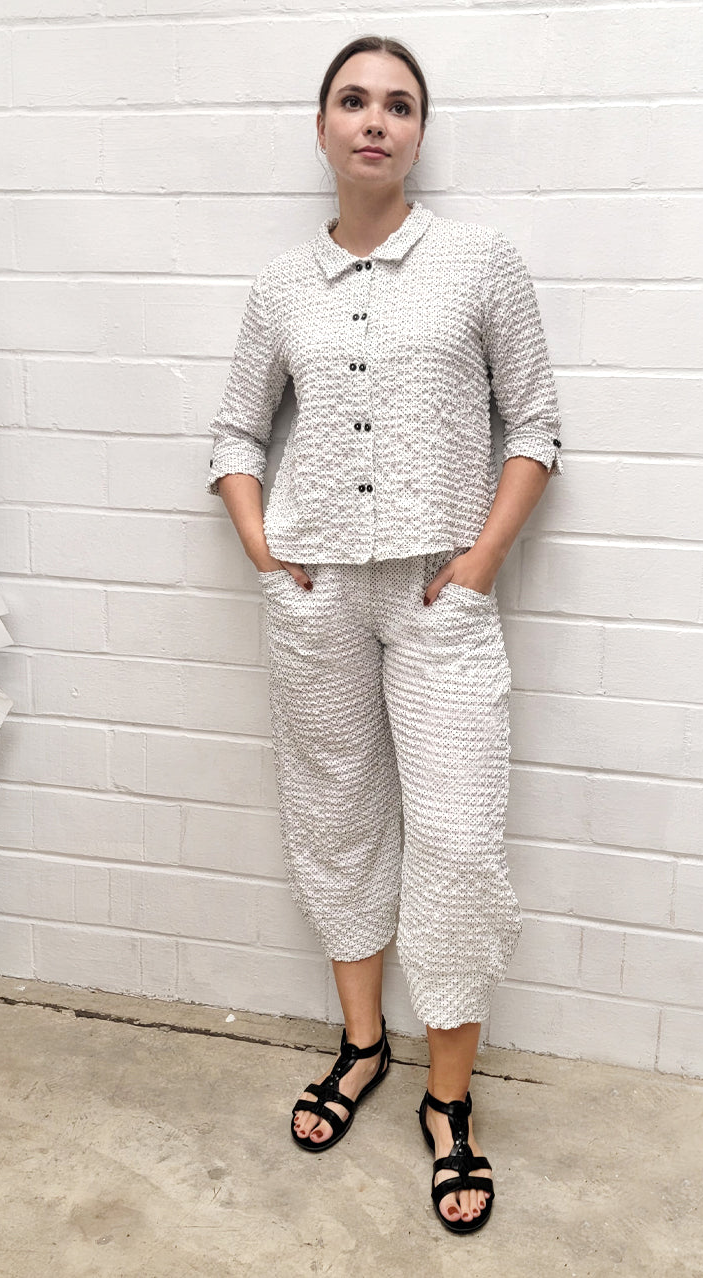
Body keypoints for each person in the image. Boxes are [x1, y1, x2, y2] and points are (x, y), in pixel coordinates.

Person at [204, 34, 562, 1234]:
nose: (375, 120)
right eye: (353, 101)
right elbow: (235, 436)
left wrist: (479, 564)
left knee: (456, 844)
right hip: (316, 603)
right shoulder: (278, 287)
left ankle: (448, 1102)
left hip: (439, 604)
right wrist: (266, 547)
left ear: (419, 132)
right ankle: (361, 1046)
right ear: (321, 128)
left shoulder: (478, 262)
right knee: (337, 818)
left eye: (398, 105)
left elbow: (538, 426)